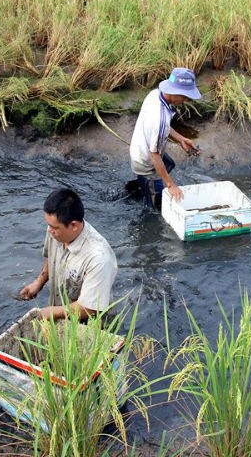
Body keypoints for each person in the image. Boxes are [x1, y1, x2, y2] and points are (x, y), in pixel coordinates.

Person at [17, 188, 117, 321]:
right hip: (61, 313)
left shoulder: (99, 258)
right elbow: (50, 256)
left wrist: (52, 312)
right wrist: (39, 282)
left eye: (54, 227)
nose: (49, 230)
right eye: (48, 225)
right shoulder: (55, 230)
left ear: (74, 225)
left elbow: (90, 308)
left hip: (92, 325)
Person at [129, 67, 201, 210]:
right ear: (175, 92)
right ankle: (148, 192)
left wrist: (181, 139)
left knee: (169, 164)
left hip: (140, 147)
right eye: (185, 96)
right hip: (145, 161)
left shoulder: (155, 94)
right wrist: (171, 185)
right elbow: (154, 155)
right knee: (155, 207)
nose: (186, 100)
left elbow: (164, 127)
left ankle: (142, 187)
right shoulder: (159, 120)